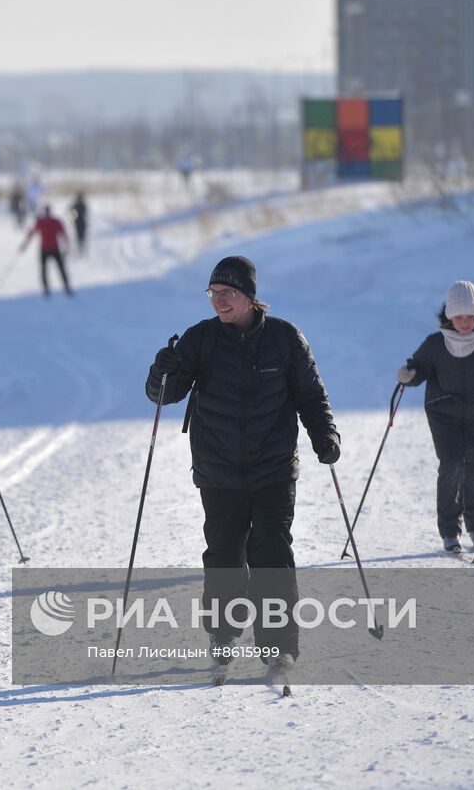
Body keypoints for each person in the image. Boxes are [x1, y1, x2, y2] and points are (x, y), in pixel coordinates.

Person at [145, 256, 339, 682]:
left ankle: (279, 646)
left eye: (227, 293)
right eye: (213, 294)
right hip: (219, 471)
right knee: (225, 559)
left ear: (249, 297)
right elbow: (164, 395)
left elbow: (311, 395)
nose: (218, 301)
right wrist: (162, 370)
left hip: (272, 470)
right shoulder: (201, 339)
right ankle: (223, 636)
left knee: (271, 555)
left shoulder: (286, 339)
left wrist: (325, 437)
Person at [397, 280, 474, 554]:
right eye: (459, 316)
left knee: (473, 467)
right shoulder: (435, 344)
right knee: (451, 464)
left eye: (470, 316)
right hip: (443, 412)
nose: (465, 323)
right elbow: (418, 369)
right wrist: (409, 375)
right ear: (449, 315)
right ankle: (450, 531)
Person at [21, 205, 74, 297]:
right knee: (44, 270)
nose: (47, 215)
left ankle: (67, 288)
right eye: (45, 213)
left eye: (48, 213)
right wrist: (25, 244)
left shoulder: (56, 221)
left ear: (50, 212)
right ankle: (46, 289)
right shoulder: (40, 222)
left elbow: (63, 233)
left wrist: (67, 245)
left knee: (61, 269)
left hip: (55, 249)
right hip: (44, 249)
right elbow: (32, 233)